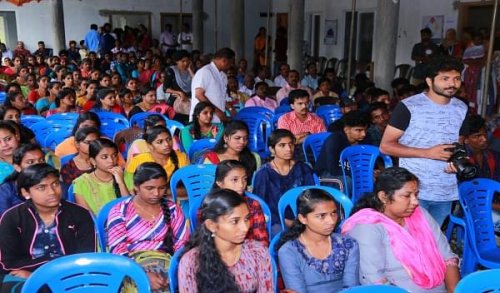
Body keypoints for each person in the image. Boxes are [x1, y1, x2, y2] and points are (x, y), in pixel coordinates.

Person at [380, 57, 467, 226]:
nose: (452, 84)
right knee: (407, 239)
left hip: (445, 189)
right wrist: (426, 153)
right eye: (445, 79)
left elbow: (459, 144)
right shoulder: (409, 106)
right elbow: (385, 146)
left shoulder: (461, 108)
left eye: (456, 78)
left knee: (432, 240)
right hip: (412, 190)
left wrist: (457, 161)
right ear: (429, 81)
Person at [342, 167, 460, 292]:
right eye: (407, 196)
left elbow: (448, 258)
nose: (415, 202)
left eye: (416, 195)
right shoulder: (367, 227)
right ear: (383, 197)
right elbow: (375, 280)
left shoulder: (419, 215)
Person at [0, 164, 97, 283]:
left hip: (71, 275)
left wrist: (44, 273)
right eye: (42, 187)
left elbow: (86, 257)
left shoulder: (80, 214)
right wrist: (35, 276)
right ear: (26, 192)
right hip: (26, 277)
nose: (52, 192)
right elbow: (7, 263)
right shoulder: (12, 218)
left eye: (55, 184)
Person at [107, 162, 189, 292]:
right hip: (130, 265)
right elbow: (117, 250)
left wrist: (172, 273)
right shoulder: (120, 211)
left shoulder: (173, 209)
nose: (156, 193)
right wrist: (142, 274)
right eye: (149, 188)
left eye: (161, 188)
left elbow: (181, 246)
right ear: (136, 187)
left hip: (166, 263)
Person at [178, 189, 274, 293]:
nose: (245, 228)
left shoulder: (257, 252)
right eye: (235, 221)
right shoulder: (191, 262)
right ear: (211, 225)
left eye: (246, 219)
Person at [277, 188, 359, 292]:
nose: (331, 221)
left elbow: (351, 288)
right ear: (303, 218)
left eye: (333, 213)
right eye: (321, 216)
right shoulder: (289, 251)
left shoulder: (349, 244)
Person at [253, 129, 316, 234]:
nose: (288, 149)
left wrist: (305, 218)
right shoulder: (264, 174)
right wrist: (284, 221)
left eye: (291, 144)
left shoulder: (303, 168)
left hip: (303, 218)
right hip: (276, 220)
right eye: (282, 145)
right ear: (272, 149)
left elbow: (312, 196)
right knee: (280, 233)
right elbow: (261, 205)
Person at [212, 160, 269, 245]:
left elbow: (261, 240)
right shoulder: (210, 207)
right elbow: (208, 241)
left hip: (250, 252)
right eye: (235, 180)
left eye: (244, 179)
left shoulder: (252, 205)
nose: (241, 185)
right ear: (219, 183)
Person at [73, 138, 129, 216]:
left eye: (114, 155)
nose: (111, 161)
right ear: (93, 161)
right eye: (104, 157)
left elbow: (130, 210)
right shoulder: (81, 183)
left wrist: (121, 183)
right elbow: (87, 217)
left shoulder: (125, 175)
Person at [125, 125, 189, 191]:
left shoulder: (181, 157)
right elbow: (130, 187)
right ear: (150, 146)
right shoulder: (138, 160)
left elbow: (189, 186)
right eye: (160, 142)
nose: (166, 144)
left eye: (169, 139)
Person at [316, 110, 371, 179]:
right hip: (327, 175)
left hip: (354, 172)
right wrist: (358, 173)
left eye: (365, 130)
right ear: (346, 130)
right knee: (348, 181)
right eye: (358, 130)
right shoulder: (334, 140)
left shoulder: (366, 139)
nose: (364, 134)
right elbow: (333, 170)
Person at [190, 48, 235, 123]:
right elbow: (199, 95)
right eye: (230, 63)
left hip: (217, 120)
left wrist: (230, 109)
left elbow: (221, 98)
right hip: (202, 120)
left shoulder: (223, 76)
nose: (231, 65)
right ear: (224, 60)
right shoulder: (205, 72)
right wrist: (217, 111)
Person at [0, 143, 45, 216]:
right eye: (30, 162)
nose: (38, 165)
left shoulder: (52, 184)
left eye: (42, 160)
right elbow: (4, 221)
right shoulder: (5, 191)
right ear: (17, 167)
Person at [60, 127, 100, 193]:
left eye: (95, 142)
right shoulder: (68, 167)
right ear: (77, 144)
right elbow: (71, 192)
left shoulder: (102, 160)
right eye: (87, 142)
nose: (92, 145)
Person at [163, 50, 193, 124]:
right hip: (176, 100)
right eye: (183, 61)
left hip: (189, 100)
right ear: (177, 61)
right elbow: (165, 88)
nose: (185, 63)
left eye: (187, 61)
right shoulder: (171, 71)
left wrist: (190, 69)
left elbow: (197, 82)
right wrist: (179, 92)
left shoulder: (190, 71)